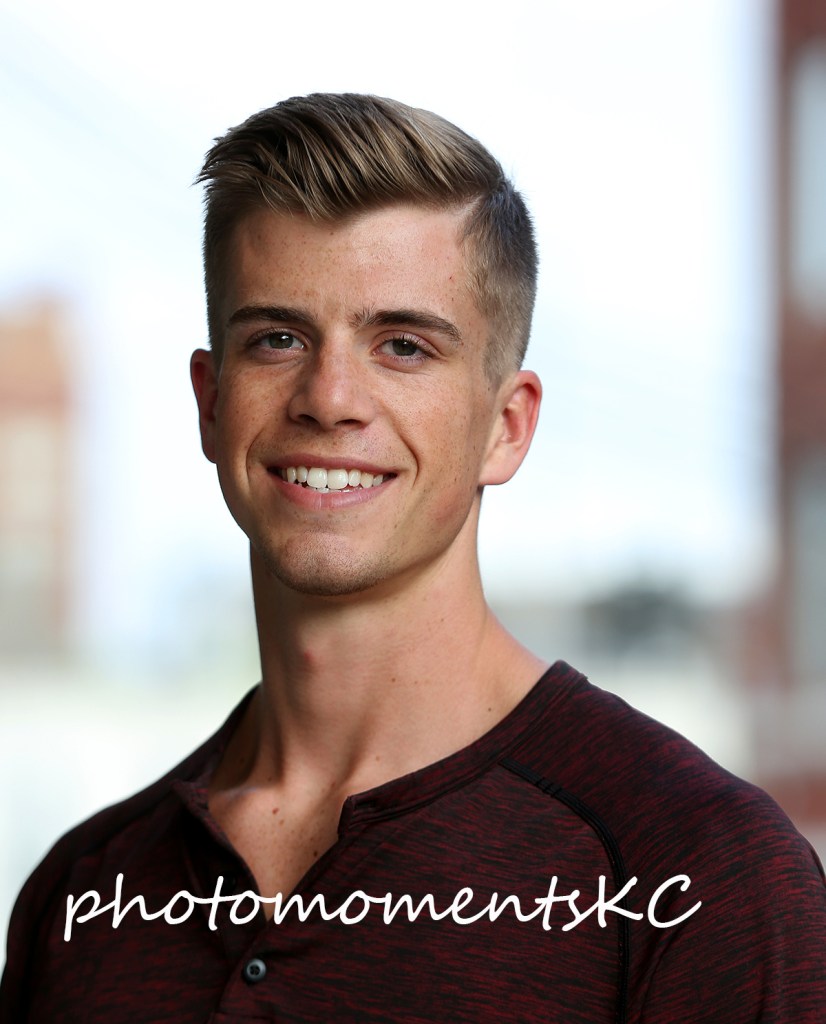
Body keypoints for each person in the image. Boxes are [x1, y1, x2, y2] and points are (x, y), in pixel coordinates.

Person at [2, 93, 825, 1024]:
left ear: (507, 427)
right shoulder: (83, 899)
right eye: (278, 339)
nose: (330, 398)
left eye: (402, 346)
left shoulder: (699, 876)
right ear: (210, 401)